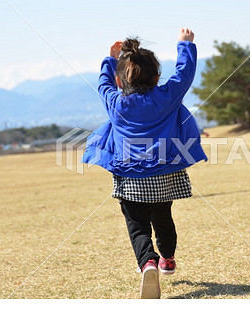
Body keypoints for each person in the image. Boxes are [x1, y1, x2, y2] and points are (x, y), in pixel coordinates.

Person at [82, 28, 207, 298]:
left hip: (129, 177)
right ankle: (168, 259)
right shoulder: (167, 97)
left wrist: (110, 58)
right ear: (156, 76)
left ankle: (147, 262)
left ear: (121, 79)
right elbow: (184, 75)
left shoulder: (115, 101)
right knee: (163, 219)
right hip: (165, 174)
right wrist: (184, 45)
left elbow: (103, 83)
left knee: (137, 226)